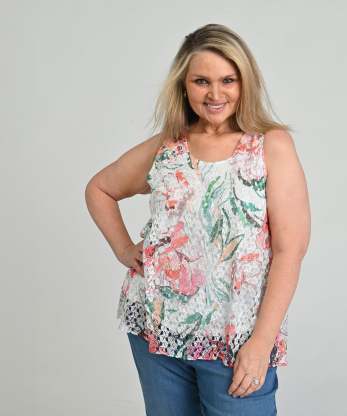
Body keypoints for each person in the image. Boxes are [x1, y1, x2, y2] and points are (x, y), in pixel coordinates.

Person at [85, 23, 310, 416]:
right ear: (184, 85)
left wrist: (261, 343)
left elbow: (289, 251)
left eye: (228, 80)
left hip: (236, 337)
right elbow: (100, 189)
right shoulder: (168, 146)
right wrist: (124, 248)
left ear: (245, 82)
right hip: (157, 331)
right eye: (201, 81)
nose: (215, 94)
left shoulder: (270, 145)